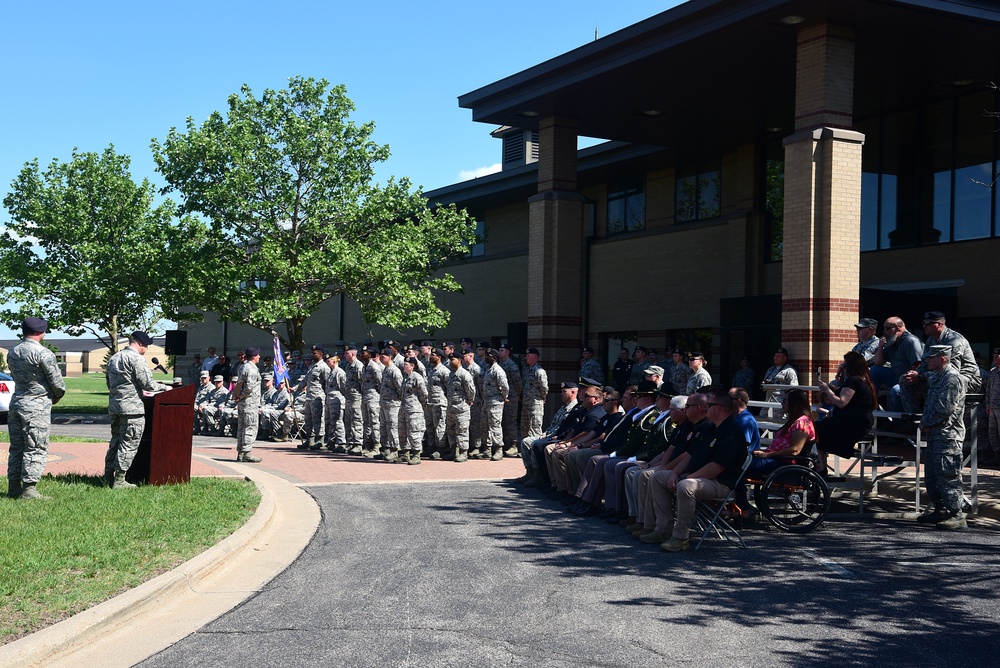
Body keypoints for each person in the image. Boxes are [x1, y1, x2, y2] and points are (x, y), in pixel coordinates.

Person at [646, 388, 748, 552]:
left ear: (719, 408)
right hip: (700, 477)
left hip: (720, 483)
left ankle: (681, 538)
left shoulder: (731, 433)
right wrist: (674, 473)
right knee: (658, 477)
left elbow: (716, 468)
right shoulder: (710, 429)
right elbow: (690, 456)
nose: (706, 408)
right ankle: (663, 529)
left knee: (686, 486)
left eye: (710, 405)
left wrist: (687, 478)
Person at [6, 317, 66, 500]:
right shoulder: (43, 353)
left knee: (17, 447)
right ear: (42, 332)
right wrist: (56, 395)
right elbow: (57, 383)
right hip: (37, 407)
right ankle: (29, 489)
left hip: (16, 403)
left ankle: (13, 487)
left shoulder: (13, 352)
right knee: (36, 447)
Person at [105, 331, 172, 488]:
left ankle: (108, 476)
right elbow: (148, 384)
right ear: (140, 343)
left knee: (115, 441)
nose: (147, 349)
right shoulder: (136, 359)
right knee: (128, 443)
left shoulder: (114, 358)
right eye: (146, 345)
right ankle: (120, 481)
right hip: (132, 410)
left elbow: (109, 384)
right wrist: (165, 387)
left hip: (115, 407)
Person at [917, 345, 968, 530]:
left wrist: (926, 423)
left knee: (948, 475)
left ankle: (957, 515)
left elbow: (945, 409)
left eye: (930, 358)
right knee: (932, 475)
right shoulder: (936, 376)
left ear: (942, 358)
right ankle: (940, 509)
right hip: (934, 434)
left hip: (948, 436)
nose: (927, 361)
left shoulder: (953, 379)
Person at [815, 351, 877, 474]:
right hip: (856, 423)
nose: (843, 366)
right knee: (818, 429)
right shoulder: (862, 380)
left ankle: (821, 467)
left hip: (853, 425)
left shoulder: (854, 381)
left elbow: (841, 402)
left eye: (845, 364)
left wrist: (827, 389)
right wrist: (839, 380)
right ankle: (820, 466)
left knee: (815, 429)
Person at [871, 316, 923, 411]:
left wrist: (907, 380)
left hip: (909, 381)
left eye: (887, 329)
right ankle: (871, 404)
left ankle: (899, 423)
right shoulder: (892, 341)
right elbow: (878, 362)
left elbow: (918, 366)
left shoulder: (910, 341)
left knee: (896, 390)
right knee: (874, 370)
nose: (884, 332)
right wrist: (880, 346)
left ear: (898, 328)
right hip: (895, 376)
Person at [232, 346, 263, 462]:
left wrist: (238, 397)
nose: (259, 357)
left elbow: (239, 385)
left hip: (242, 403)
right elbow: (249, 387)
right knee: (250, 427)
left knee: (241, 428)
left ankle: (240, 452)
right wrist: (240, 396)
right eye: (258, 355)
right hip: (250, 403)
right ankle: (247, 453)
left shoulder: (242, 367)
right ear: (254, 356)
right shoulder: (252, 369)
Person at [445, 351, 476, 462]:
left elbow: (471, 390)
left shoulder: (464, 374)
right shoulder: (451, 374)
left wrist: (469, 401)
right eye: (449, 359)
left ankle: (463, 453)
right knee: (451, 431)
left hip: (461, 408)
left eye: (452, 359)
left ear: (459, 360)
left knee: (462, 431)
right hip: (451, 408)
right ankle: (454, 451)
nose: (450, 361)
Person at [297, 344, 329, 449]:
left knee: (318, 419)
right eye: (312, 353)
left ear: (321, 354)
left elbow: (327, 383)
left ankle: (319, 440)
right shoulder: (312, 366)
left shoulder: (324, 367)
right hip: (309, 397)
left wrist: (325, 397)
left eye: (314, 353)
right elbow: (306, 380)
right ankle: (309, 440)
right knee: (308, 420)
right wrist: (295, 388)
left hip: (317, 397)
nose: (312, 355)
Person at [399, 356, 428, 464]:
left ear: (412, 366)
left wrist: (421, 406)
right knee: (403, 432)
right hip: (404, 409)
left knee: (414, 432)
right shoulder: (405, 377)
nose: (404, 366)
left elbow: (424, 394)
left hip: (414, 410)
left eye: (406, 364)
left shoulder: (417, 377)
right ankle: (405, 454)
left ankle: (416, 455)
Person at [482, 348, 510, 461]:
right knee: (485, 425)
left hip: (495, 402)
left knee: (495, 425)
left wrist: (504, 398)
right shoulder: (489, 370)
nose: (486, 357)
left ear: (494, 358)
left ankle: (499, 449)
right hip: (487, 401)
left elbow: (504, 387)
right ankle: (487, 449)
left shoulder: (498, 370)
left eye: (488, 356)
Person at [520, 347, 548, 453]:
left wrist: (542, 398)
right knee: (524, 427)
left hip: (535, 403)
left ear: (535, 357)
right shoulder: (526, 370)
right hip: (526, 403)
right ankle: (525, 450)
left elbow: (544, 388)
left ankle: (534, 451)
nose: (526, 357)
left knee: (534, 428)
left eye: (528, 355)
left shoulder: (539, 371)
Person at [323, 352, 347, 452]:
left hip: (337, 401)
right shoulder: (331, 372)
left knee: (338, 422)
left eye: (329, 361)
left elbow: (344, 388)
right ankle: (331, 441)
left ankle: (341, 443)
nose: (327, 363)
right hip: (329, 400)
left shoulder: (340, 372)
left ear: (334, 361)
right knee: (329, 422)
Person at [761, 347, 799, 411]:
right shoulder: (770, 370)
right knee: (762, 419)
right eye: (775, 356)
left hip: (781, 404)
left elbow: (793, 389)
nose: (775, 358)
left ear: (784, 358)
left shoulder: (789, 371)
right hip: (768, 402)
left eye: (778, 356)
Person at [984, 348, 1000, 467]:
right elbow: (988, 389)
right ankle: (996, 456)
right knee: (992, 433)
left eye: (997, 356)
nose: (994, 358)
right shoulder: (993, 371)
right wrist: (988, 405)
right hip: (993, 407)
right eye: (993, 356)